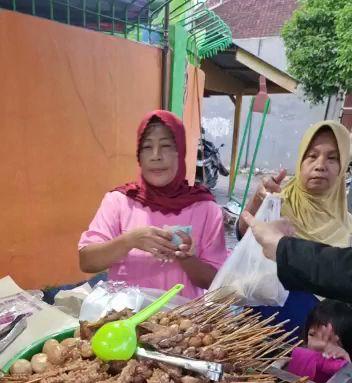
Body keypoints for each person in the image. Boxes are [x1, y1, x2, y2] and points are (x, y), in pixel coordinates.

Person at [79, 110, 227, 299]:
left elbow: (217, 282)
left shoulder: (205, 208)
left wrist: (187, 259)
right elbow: (86, 261)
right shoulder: (119, 201)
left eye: (165, 146)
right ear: (139, 156)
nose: (155, 156)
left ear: (180, 152)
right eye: (147, 147)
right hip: (126, 321)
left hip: (182, 324)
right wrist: (130, 240)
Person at [237, 120, 352, 331]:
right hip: (255, 331)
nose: (320, 165)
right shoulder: (277, 203)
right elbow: (243, 236)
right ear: (300, 161)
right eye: (312, 155)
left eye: (332, 158)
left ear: (343, 166)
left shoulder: (349, 227)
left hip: (316, 344)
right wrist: (258, 201)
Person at [242, 212, 352, 303]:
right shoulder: (281, 198)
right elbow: (243, 233)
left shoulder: (346, 220)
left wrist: (280, 246)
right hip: (266, 298)